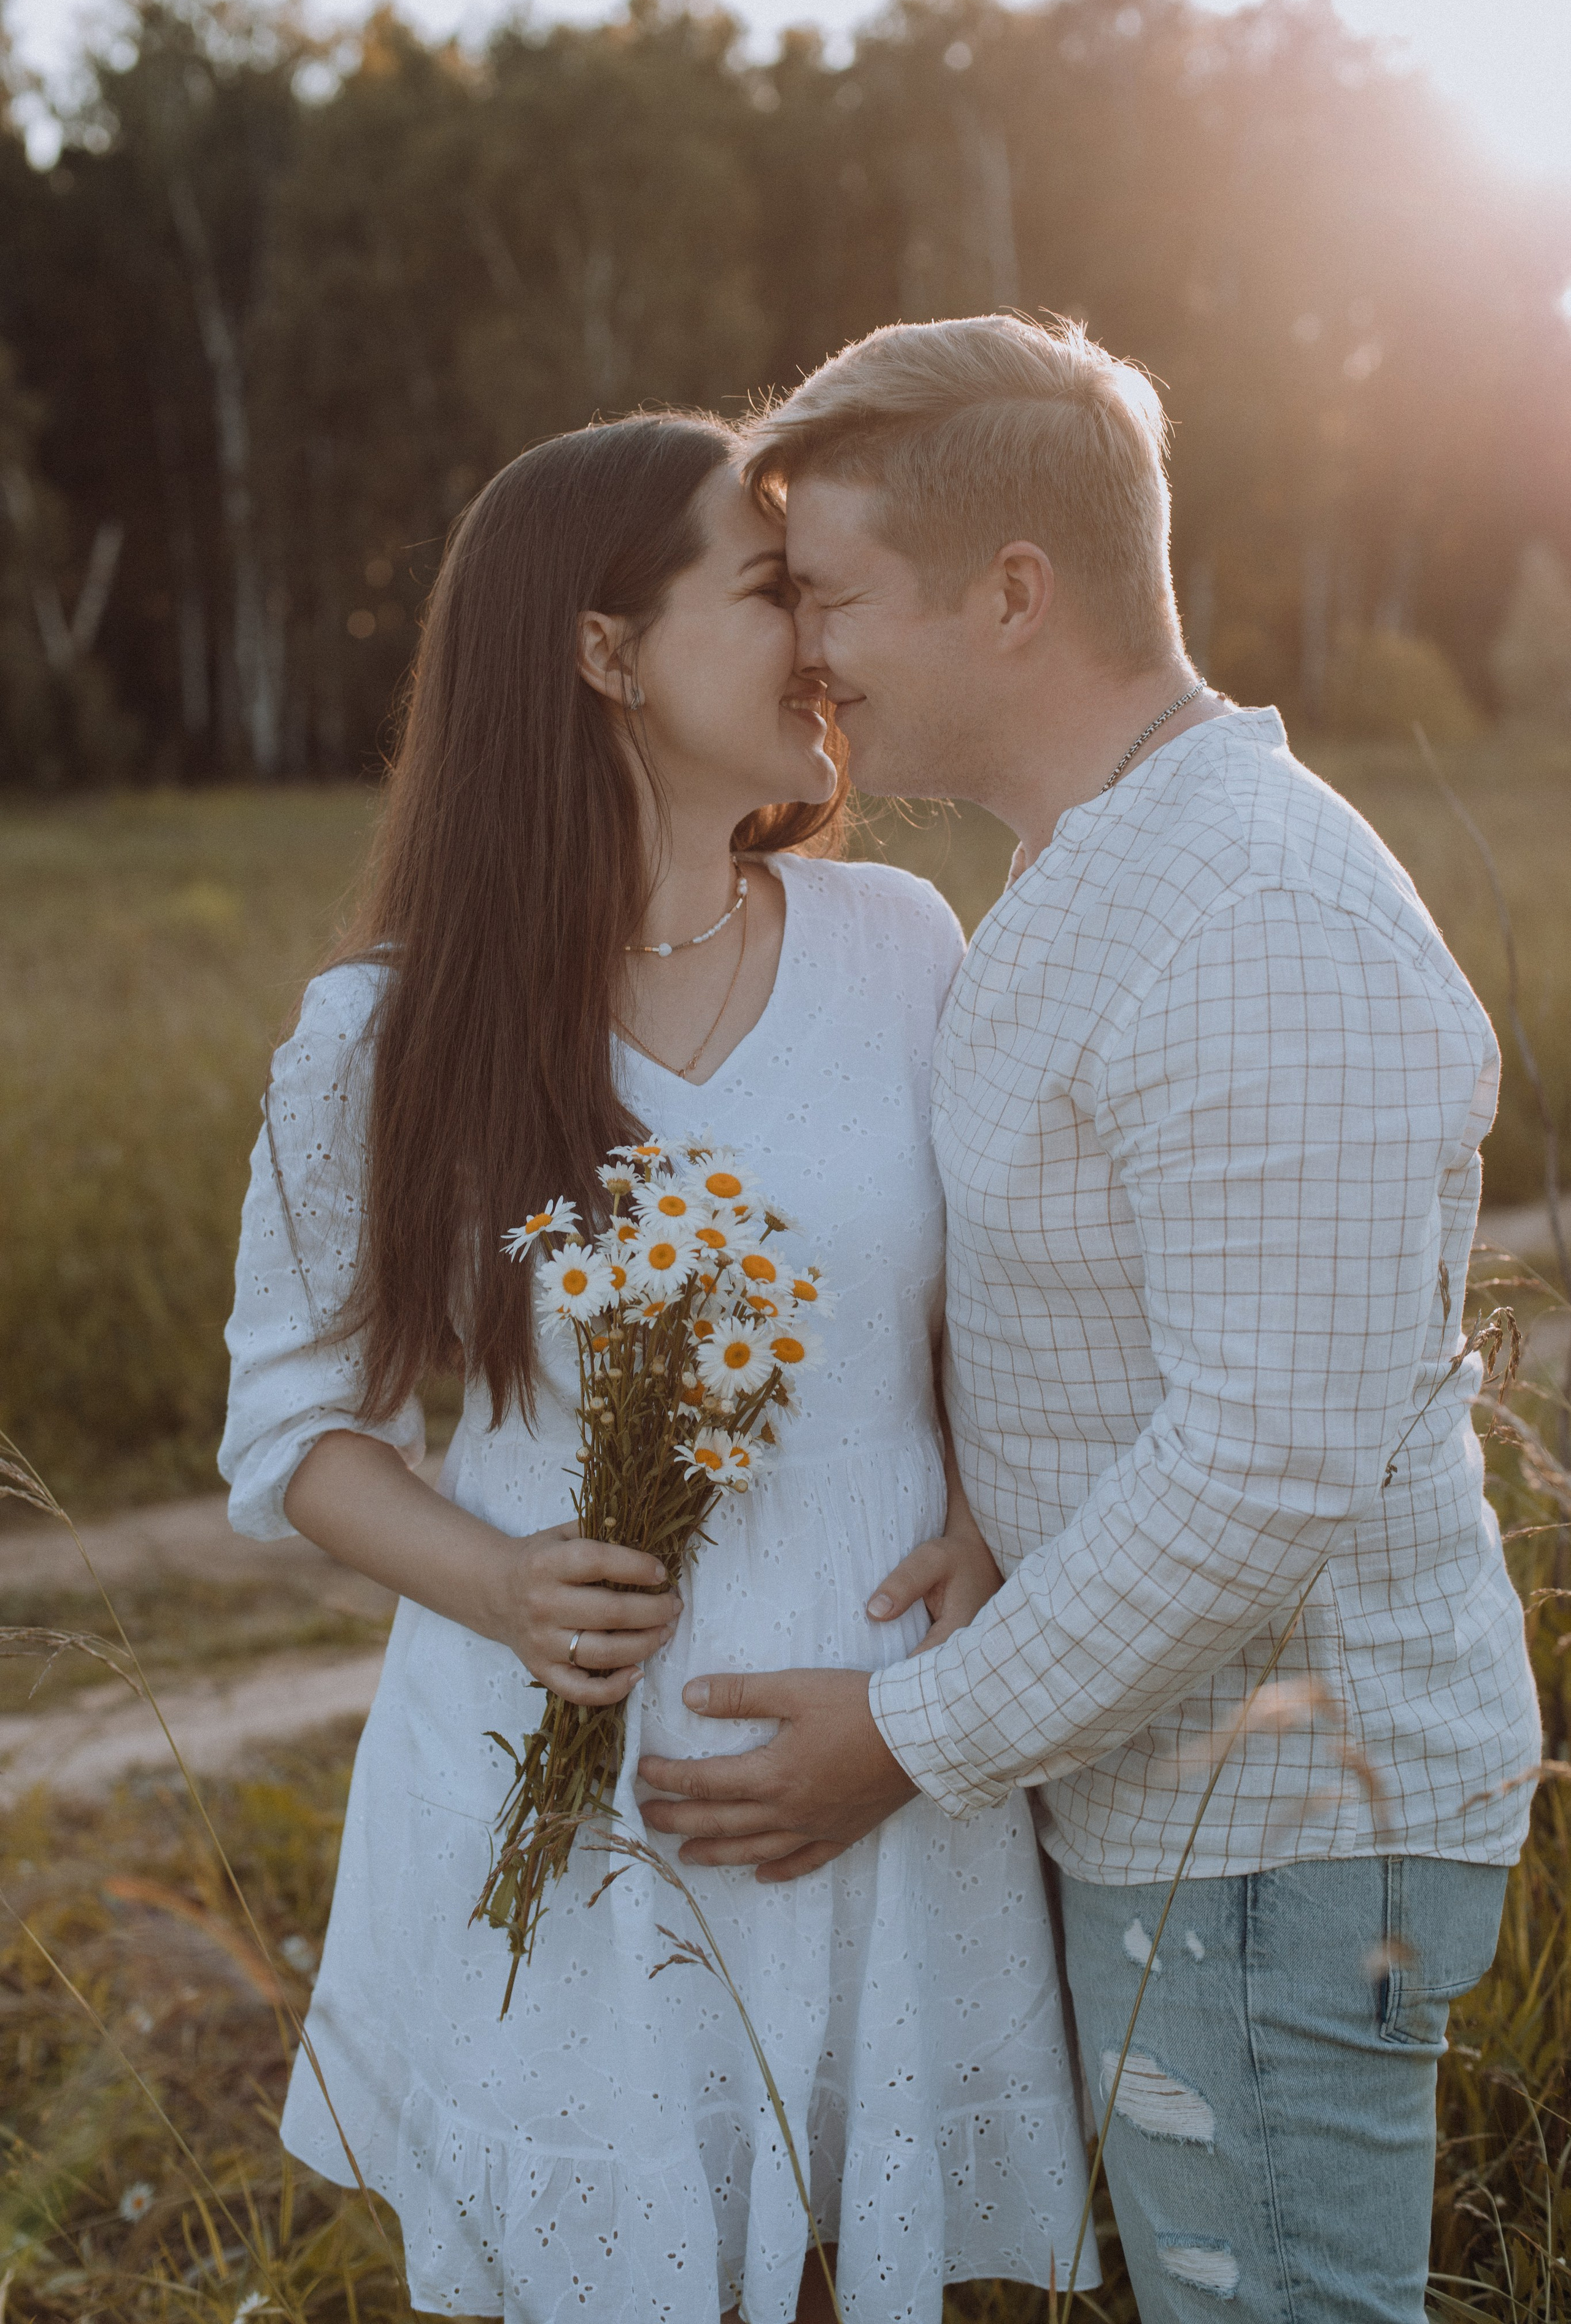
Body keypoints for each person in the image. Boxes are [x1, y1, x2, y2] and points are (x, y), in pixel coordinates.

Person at [637, 319, 1543, 2323]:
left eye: (844, 597)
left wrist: (904, 1735)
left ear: (1017, 596)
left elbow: (1260, 1468)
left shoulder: (1255, 913)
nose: (814, 659)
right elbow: (1131, 1334)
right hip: (1182, 1808)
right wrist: (987, 1496)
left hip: (1284, 1833)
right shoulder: (1094, 871)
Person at [218, 411, 1095, 2324]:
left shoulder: (906, 944)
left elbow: (1009, 1321)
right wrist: (503, 1582)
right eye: (770, 587)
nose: (823, 640)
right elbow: (293, 1423)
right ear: (607, 653)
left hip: (881, 1771)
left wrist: (978, 1514)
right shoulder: (388, 1029)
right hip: (557, 1783)